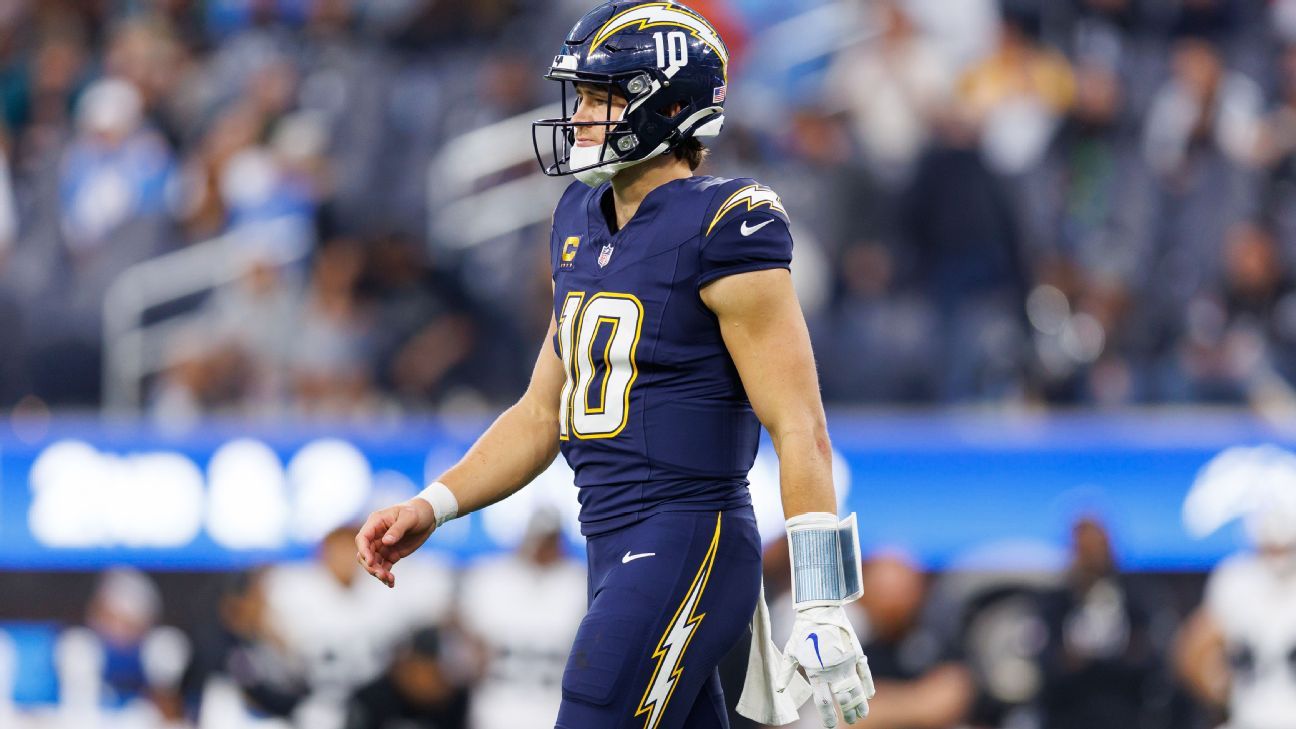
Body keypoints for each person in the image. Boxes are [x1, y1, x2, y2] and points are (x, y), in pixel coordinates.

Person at [355, 2, 873, 729]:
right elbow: (541, 411)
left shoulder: (729, 222)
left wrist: (822, 602)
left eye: (603, 97)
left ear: (671, 106)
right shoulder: (577, 216)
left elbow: (800, 425)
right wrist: (431, 505)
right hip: (608, 542)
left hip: (689, 536)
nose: (580, 116)